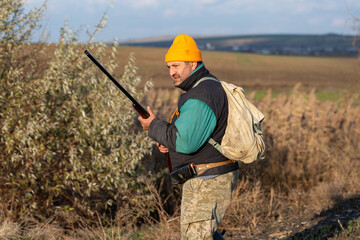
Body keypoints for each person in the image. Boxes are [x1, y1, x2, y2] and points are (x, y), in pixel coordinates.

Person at [138, 34, 239, 240]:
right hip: (209, 176)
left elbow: (185, 142)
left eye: (176, 66)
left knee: (196, 236)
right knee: (203, 234)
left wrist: (153, 126)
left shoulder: (201, 94)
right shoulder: (205, 87)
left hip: (208, 180)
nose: (172, 72)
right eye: (169, 67)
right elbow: (191, 134)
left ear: (192, 63)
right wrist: (168, 141)